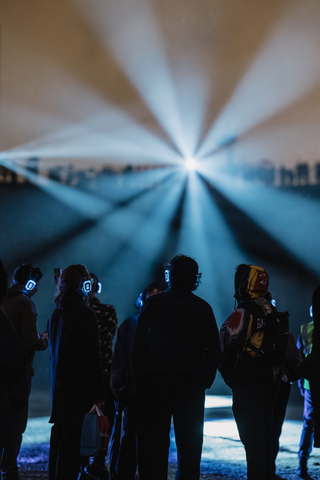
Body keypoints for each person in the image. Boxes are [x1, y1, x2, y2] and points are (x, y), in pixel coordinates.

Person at [134, 254, 221, 480]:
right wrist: (203, 381)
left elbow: (139, 348)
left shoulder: (153, 304)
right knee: (190, 448)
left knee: (153, 446)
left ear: (170, 276)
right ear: (195, 278)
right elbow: (214, 351)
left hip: (155, 384)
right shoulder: (203, 308)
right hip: (191, 387)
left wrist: (140, 382)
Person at [219, 264, 289, 480]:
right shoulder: (271, 308)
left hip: (249, 385)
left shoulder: (243, 311)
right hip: (272, 383)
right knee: (267, 435)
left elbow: (228, 347)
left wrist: (231, 376)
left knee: (252, 439)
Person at [47, 265, 104, 480]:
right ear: (83, 284)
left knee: (59, 443)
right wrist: (98, 396)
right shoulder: (85, 313)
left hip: (59, 391)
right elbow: (92, 358)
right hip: (78, 392)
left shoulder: (56, 313)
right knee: (72, 448)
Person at [109, 282, 165, 480]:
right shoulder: (131, 325)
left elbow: (119, 362)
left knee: (135, 441)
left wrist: (120, 386)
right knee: (135, 441)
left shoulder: (131, 325)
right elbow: (119, 362)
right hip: (139, 395)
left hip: (144, 394)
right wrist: (121, 387)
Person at [1, 263, 48, 480]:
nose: (36, 289)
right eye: (35, 284)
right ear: (29, 282)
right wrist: (44, 340)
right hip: (18, 375)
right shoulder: (25, 304)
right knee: (16, 424)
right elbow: (31, 340)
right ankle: (9, 470)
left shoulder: (4, 301)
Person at [84, 273, 118, 480]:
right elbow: (109, 337)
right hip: (104, 371)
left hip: (81, 374)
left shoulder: (74, 312)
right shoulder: (108, 311)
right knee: (104, 418)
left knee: (83, 418)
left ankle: (83, 462)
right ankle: (98, 460)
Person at [296, 307, 315, 479]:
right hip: (310, 383)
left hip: (310, 383)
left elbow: (298, 359)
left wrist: (301, 382)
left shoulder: (304, 330)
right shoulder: (305, 330)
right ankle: (302, 465)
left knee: (308, 424)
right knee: (308, 424)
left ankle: (302, 465)